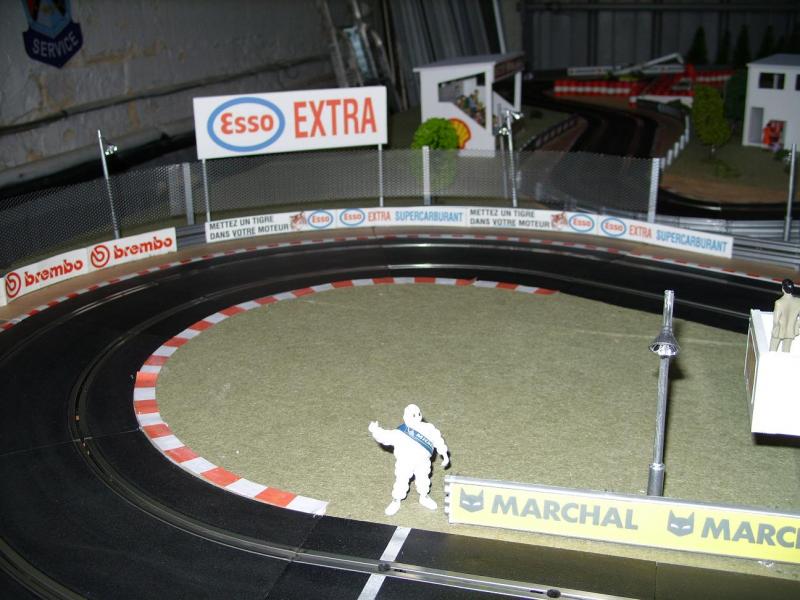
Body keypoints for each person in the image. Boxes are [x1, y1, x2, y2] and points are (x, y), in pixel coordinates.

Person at [368, 404, 449, 516]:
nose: (415, 417)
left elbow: (437, 439)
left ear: (420, 415)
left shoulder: (428, 428)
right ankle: (396, 500)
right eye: (412, 415)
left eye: (417, 414)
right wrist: (375, 430)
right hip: (405, 463)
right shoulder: (399, 432)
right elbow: (385, 437)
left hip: (423, 462)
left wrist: (444, 453)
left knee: (423, 480)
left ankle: (424, 496)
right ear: (405, 417)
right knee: (401, 481)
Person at [769, 279, 800, 352]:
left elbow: (776, 320)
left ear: (783, 288)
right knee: (786, 351)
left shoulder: (779, 302)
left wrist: (775, 328)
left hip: (779, 329)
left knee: (772, 350)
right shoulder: (798, 301)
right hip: (790, 329)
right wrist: (797, 325)